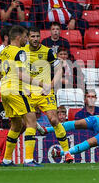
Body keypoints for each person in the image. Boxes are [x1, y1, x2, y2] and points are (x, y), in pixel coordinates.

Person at [0, 25, 49, 167]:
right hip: (16, 90)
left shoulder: (4, 51)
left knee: (16, 125)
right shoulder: (20, 52)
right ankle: (29, 160)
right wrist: (41, 84)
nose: (27, 40)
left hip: (4, 91)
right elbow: (20, 75)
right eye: (26, 37)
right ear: (18, 37)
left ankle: (6, 159)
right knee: (31, 122)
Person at [23, 27, 73, 163]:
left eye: (37, 36)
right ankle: (21, 158)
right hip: (28, 93)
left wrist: (50, 85)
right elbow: (18, 72)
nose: (35, 39)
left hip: (45, 92)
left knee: (54, 119)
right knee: (23, 125)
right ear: (27, 38)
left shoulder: (47, 51)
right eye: (32, 36)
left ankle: (67, 153)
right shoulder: (22, 53)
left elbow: (58, 69)